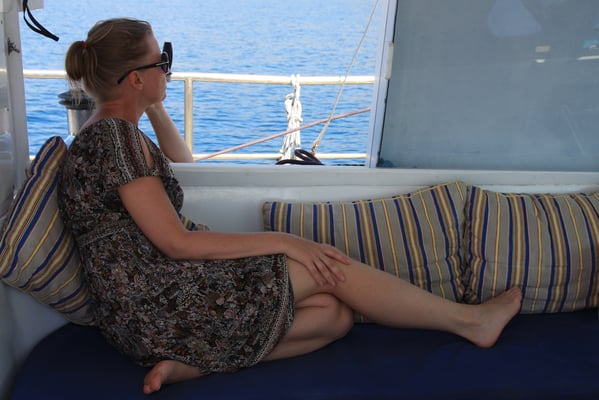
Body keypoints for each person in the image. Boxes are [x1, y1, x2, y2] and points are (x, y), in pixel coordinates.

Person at [58, 17, 522, 395]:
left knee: (334, 317)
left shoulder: (114, 131)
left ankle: (194, 365)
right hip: (158, 306)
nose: (170, 68)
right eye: (163, 61)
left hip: (146, 307)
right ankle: (469, 321)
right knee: (329, 268)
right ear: (136, 78)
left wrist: (150, 103)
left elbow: (183, 165)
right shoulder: (114, 141)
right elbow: (176, 244)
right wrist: (287, 241)